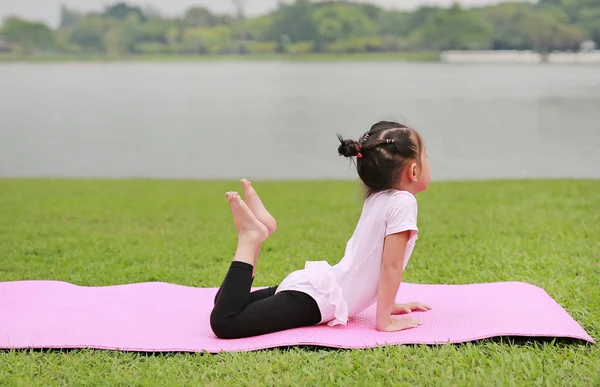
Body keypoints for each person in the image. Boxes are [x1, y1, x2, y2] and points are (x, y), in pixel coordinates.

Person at [210, 121, 432, 339]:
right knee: (225, 322)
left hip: (318, 287)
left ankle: (260, 234)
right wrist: (385, 320)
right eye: (425, 157)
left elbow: (374, 258)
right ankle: (251, 239)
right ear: (413, 170)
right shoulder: (403, 202)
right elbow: (390, 266)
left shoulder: (379, 196)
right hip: (318, 301)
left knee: (226, 303)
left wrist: (390, 304)